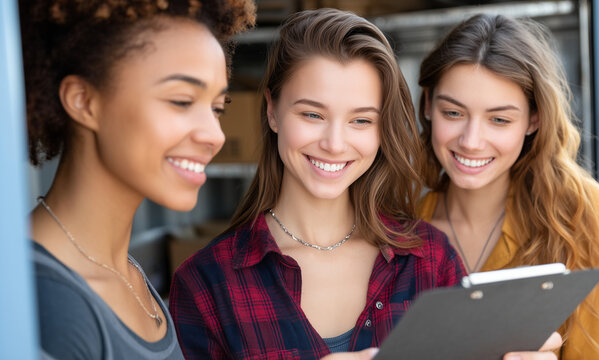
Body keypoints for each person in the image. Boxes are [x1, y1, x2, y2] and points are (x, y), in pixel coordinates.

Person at [170, 8, 561, 360]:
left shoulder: (431, 262)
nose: (335, 144)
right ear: (273, 110)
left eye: (361, 120)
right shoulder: (206, 285)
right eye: (312, 114)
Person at [21, 0, 255, 359]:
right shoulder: (49, 305)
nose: (216, 135)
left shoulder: (125, 273)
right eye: (181, 101)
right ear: (83, 101)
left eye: (217, 108)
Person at [416, 13, 599, 359]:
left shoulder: (584, 216)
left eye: (499, 120)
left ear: (534, 119)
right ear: (428, 105)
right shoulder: (401, 223)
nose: (472, 141)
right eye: (453, 113)